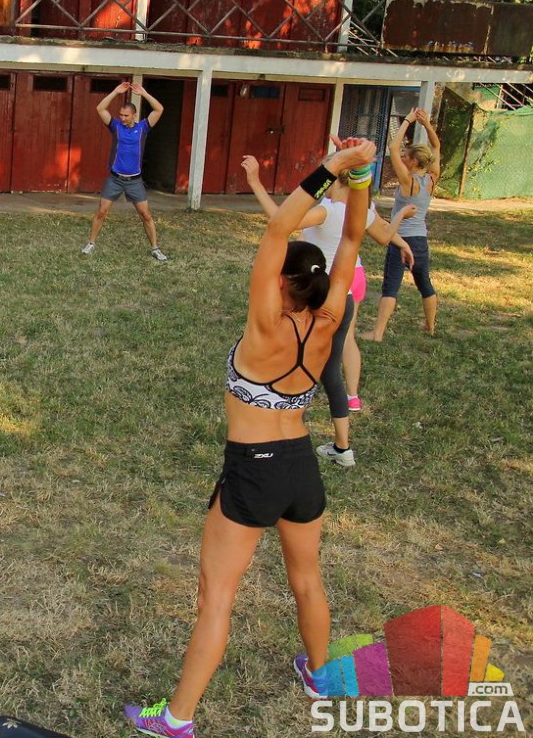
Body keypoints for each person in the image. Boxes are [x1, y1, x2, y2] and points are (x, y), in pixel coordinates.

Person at [123, 140, 378, 737]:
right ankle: (320, 675)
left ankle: (178, 719)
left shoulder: (265, 325)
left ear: (282, 282)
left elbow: (280, 225)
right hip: (301, 468)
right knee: (307, 581)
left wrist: (333, 169)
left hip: (253, 470)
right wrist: (363, 176)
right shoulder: (330, 318)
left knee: (215, 597)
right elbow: (352, 238)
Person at [243, 152, 415, 467]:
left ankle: (276, 437)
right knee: (330, 370)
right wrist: (401, 227)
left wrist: (254, 182)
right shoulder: (363, 212)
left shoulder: (328, 211)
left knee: (287, 364)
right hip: (342, 299)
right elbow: (382, 237)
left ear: (335, 178)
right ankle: (342, 448)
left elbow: (280, 222)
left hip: (311, 298)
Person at [367, 107, 441, 342]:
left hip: (400, 240)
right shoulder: (431, 179)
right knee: (424, 283)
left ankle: (377, 333)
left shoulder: (408, 181)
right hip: (420, 241)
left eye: (406, 157)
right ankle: (430, 327)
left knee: (390, 286)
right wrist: (426, 124)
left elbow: (392, 147)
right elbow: (436, 146)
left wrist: (408, 120)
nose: (403, 158)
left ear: (414, 161)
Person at [82, 81, 166, 261]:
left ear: (134, 115)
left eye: (126, 115)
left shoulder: (143, 128)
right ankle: (91, 243)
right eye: (120, 115)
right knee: (101, 212)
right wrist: (115, 91)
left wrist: (144, 93)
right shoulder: (116, 127)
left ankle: (155, 248)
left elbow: (159, 109)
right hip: (115, 179)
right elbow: (100, 109)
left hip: (134, 181)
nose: (122, 118)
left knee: (146, 215)